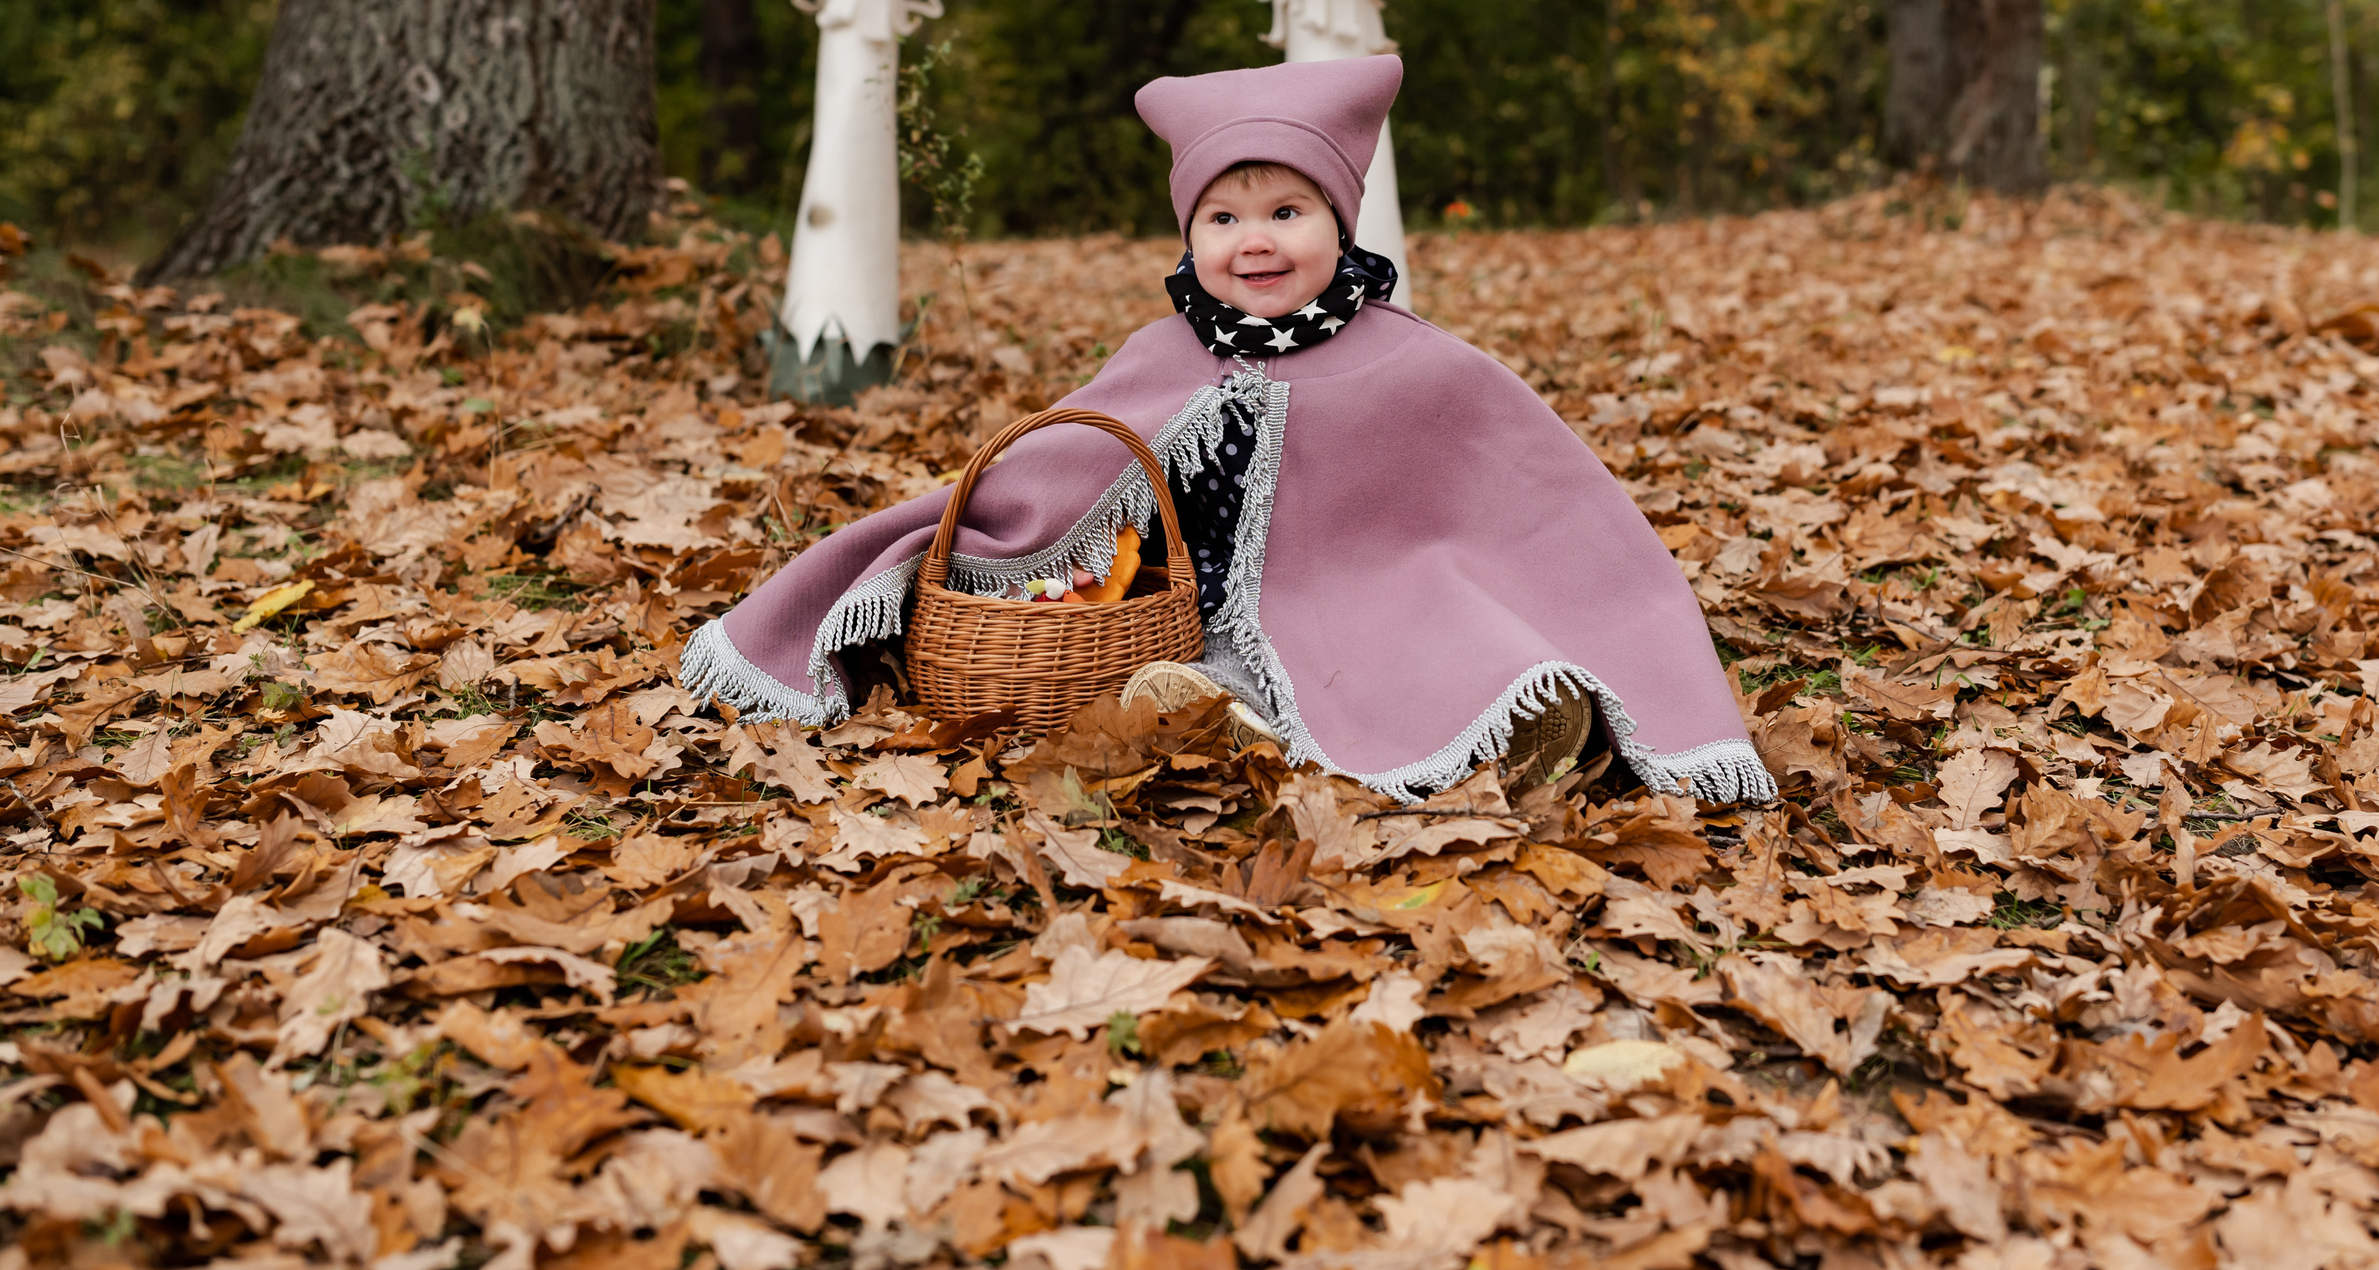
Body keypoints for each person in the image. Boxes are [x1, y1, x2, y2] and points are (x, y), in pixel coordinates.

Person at [681, 55, 1773, 804]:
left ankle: (1510, 725)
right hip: (1173, 611)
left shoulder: (1410, 356)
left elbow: (1537, 507)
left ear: (1338, 225)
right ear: (1191, 229)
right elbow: (1058, 468)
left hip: (1379, 597)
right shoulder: (1162, 351)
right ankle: (1208, 717)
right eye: (1224, 215)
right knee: (1162, 657)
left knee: (1468, 651)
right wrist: (1000, 552)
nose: (1254, 239)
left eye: (1286, 212)